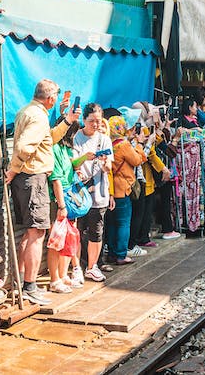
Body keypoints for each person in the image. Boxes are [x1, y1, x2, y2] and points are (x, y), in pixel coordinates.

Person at [7, 79, 79, 306]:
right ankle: (29, 285)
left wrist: (68, 121)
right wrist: (13, 169)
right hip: (33, 178)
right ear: (50, 99)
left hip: (27, 178)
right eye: (56, 97)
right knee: (37, 234)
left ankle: (22, 282)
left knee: (31, 233)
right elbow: (24, 147)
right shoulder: (38, 116)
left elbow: (46, 140)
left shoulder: (29, 111)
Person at [46, 122, 92, 293]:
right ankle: (54, 280)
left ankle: (63, 275)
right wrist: (61, 206)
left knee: (69, 240)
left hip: (69, 199)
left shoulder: (66, 150)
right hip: (60, 200)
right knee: (56, 241)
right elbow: (56, 180)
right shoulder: (55, 149)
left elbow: (71, 167)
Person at [74, 104, 112, 282]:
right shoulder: (76, 137)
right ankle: (76, 267)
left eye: (98, 121)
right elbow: (72, 164)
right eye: (92, 121)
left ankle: (92, 266)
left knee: (96, 232)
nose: (95, 125)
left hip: (99, 193)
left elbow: (109, 167)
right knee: (77, 231)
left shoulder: (104, 139)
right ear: (84, 120)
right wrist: (84, 158)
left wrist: (104, 163)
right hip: (78, 194)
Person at [107, 116, 147, 265]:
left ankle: (112, 252)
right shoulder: (124, 145)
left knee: (112, 223)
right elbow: (138, 160)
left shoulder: (110, 143)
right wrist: (139, 144)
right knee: (123, 223)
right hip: (123, 188)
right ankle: (121, 254)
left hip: (112, 189)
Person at [129, 124, 171, 252]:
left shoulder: (147, 129)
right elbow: (148, 154)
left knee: (144, 210)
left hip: (146, 179)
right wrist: (163, 168)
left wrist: (161, 128)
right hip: (139, 180)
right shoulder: (135, 135)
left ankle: (141, 238)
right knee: (139, 213)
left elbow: (158, 145)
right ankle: (135, 242)